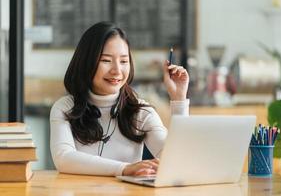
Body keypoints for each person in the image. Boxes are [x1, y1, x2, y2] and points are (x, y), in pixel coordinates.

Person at [50, 22, 189, 177]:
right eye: (106, 60)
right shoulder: (65, 108)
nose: (117, 71)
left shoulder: (140, 111)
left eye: (123, 61)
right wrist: (124, 169)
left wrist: (179, 100)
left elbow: (178, 159)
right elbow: (64, 158)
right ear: (86, 62)